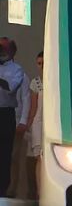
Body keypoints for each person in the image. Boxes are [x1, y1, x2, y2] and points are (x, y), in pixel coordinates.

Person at [0, 37, 24, 196]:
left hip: (4, 114)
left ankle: (1, 190)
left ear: (11, 51)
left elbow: (10, 88)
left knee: (4, 153)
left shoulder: (17, 69)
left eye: (2, 47)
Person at [6, 67, 29, 198]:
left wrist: (23, 121)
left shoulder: (21, 76)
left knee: (13, 157)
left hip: (15, 121)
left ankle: (11, 188)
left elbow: (26, 99)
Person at [26, 51, 43, 199]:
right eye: (39, 63)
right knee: (39, 158)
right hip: (38, 122)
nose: (41, 66)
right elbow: (33, 107)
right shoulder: (35, 82)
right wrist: (28, 125)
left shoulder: (55, 80)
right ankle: (39, 191)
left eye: (44, 63)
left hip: (53, 122)